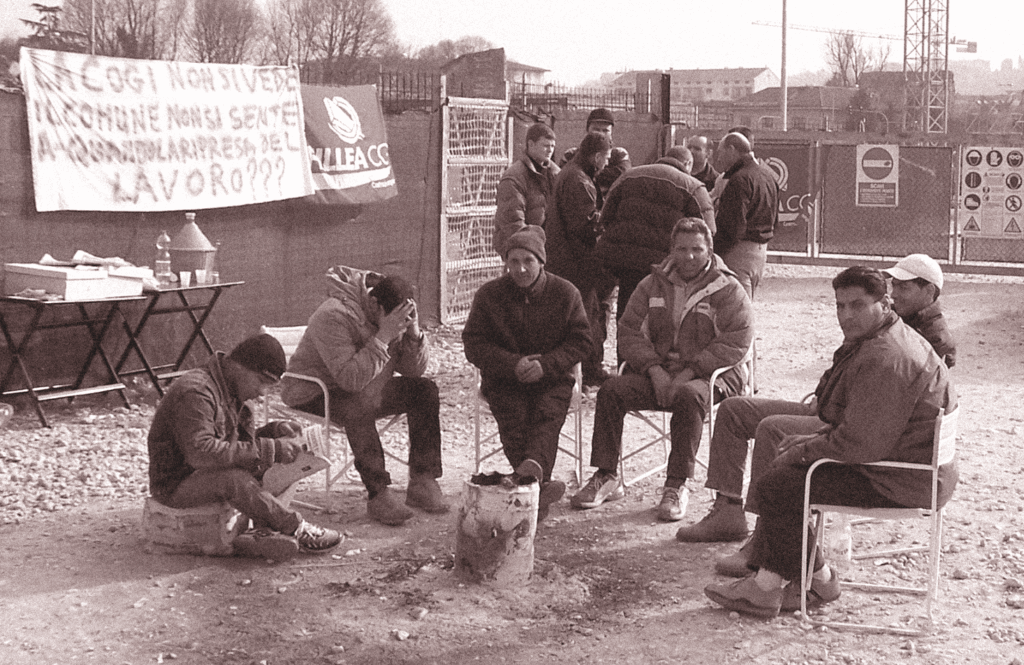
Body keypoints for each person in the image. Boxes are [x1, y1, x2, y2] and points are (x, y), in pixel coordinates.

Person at [704, 266, 957, 618]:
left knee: (780, 484)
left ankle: (766, 588)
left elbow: (861, 444)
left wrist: (804, 450)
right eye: (840, 306)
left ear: (885, 303)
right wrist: (812, 440)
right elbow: (860, 425)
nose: (846, 315)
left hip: (902, 478)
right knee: (785, 475)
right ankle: (818, 580)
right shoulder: (884, 336)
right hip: (909, 466)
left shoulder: (887, 356)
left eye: (857, 305)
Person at [570, 218, 754, 522]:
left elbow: (736, 341)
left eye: (697, 249)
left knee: (688, 396)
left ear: (709, 251)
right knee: (611, 390)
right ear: (671, 250)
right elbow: (629, 331)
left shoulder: (728, 288)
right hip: (660, 371)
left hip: (713, 376)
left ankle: (675, 485)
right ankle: (606, 474)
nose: (689, 256)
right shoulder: (651, 284)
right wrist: (654, 369)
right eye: (681, 249)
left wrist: (689, 372)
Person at [147, 333, 342, 561]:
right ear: (239, 366)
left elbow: (237, 445)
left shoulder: (233, 389)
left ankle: (261, 532)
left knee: (287, 466)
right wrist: (270, 449)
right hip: (176, 485)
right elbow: (201, 453)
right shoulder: (196, 392)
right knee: (234, 480)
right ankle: (294, 528)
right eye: (260, 381)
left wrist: (274, 431)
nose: (262, 392)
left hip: (205, 474)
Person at [282, 267, 448, 527]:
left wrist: (413, 333)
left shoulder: (393, 312)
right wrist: (383, 337)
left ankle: (423, 480)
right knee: (357, 406)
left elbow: (413, 371)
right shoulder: (332, 315)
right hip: (314, 390)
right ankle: (378, 493)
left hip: (365, 385)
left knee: (423, 390)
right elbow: (349, 380)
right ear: (372, 303)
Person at [463, 226, 593, 521]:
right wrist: (513, 364)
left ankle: (526, 481)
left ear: (541, 262)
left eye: (528, 261)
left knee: (547, 414)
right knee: (514, 416)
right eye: (514, 261)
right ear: (506, 263)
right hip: (505, 379)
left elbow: (583, 342)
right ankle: (537, 485)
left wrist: (547, 364)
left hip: (552, 377)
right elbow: (474, 344)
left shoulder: (565, 293)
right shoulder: (489, 295)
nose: (520, 269)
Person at [595, 146, 712, 329]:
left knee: (628, 313)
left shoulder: (628, 176)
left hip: (625, 260)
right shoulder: (693, 186)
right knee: (660, 317)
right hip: (664, 265)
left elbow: (605, 216)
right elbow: (708, 231)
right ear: (687, 163)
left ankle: (624, 347)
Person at [546, 131, 614, 387]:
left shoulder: (570, 174)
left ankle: (580, 370)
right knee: (587, 318)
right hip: (577, 263)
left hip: (565, 259)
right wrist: (608, 220)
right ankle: (587, 370)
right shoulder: (579, 180)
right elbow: (584, 226)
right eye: (606, 158)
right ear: (596, 157)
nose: (606, 164)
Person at [714, 131, 779, 299]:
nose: (718, 159)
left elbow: (733, 227)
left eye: (720, 152)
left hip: (738, 252)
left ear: (731, 149)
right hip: (760, 253)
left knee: (737, 307)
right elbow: (774, 219)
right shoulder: (768, 176)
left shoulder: (739, 180)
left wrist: (714, 252)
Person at [492, 122, 560, 256]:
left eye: (552, 146)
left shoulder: (555, 174)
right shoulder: (514, 178)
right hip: (519, 250)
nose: (550, 150)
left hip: (547, 249)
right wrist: (533, 251)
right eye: (545, 145)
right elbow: (513, 223)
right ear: (531, 144)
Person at [884, 253, 957, 368]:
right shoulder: (891, 315)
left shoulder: (937, 340)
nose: (893, 294)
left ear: (929, 291)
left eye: (904, 288)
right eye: (894, 286)